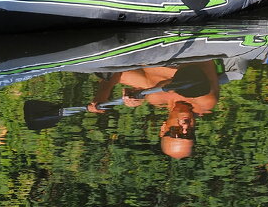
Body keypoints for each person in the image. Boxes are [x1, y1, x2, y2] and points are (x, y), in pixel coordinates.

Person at [86, 62, 220, 159]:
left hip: (151, 47)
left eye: (176, 132)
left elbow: (117, 74)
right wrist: (144, 93)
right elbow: (188, 76)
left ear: (163, 128)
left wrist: (102, 95)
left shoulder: (155, 98)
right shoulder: (205, 101)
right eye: (189, 134)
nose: (185, 127)